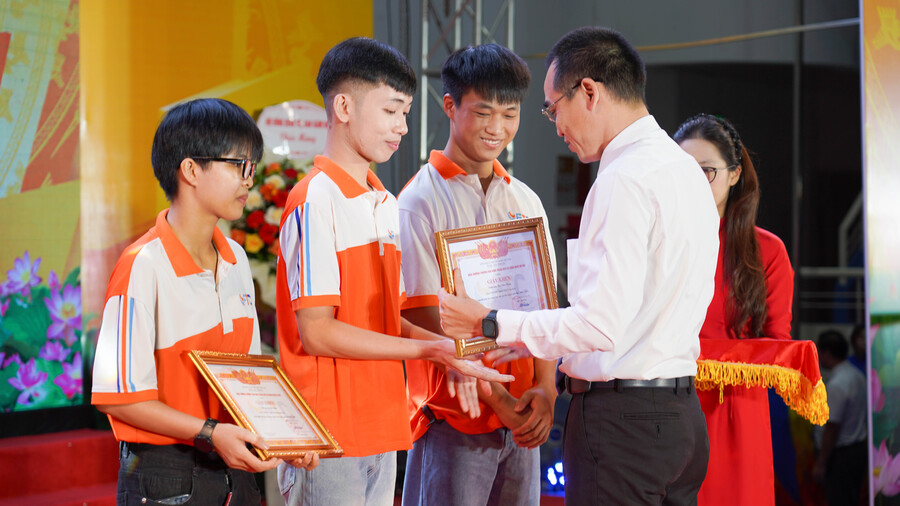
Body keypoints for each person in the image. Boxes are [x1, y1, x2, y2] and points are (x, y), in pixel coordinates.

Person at [438, 27, 719, 504]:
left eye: (553, 109)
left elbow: (598, 325)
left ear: (588, 92)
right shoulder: (684, 169)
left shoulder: (624, 178)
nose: (556, 127)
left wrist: (490, 322)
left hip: (624, 424)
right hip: (681, 419)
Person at [273, 37, 513, 506]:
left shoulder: (383, 201)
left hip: (382, 426)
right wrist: (432, 348)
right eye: (391, 111)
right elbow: (318, 332)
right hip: (327, 434)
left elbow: (387, 321)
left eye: (405, 113)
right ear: (344, 106)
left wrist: (449, 348)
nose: (402, 126)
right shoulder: (314, 199)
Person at [91, 98, 319, 506]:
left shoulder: (236, 258)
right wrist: (210, 433)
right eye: (238, 165)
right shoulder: (142, 265)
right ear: (191, 170)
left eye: (252, 167)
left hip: (234, 469)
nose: (249, 180)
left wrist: (285, 437)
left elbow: (250, 379)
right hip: (166, 476)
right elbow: (118, 397)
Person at [398, 44, 557, 506]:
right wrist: (497, 400)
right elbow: (422, 316)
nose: (497, 128)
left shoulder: (525, 200)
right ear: (450, 106)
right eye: (484, 112)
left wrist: (546, 389)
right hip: (454, 418)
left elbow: (546, 308)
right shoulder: (419, 201)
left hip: (524, 416)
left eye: (510, 114)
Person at [673, 113, 795, 505]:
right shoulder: (657, 244)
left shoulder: (766, 251)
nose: (694, 182)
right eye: (683, 170)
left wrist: (712, 359)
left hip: (737, 410)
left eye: (706, 171)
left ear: (735, 174)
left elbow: (777, 345)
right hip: (665, 405)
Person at [814, 330, 867, 506]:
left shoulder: (838, 384)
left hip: (841, 457)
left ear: (827, 352)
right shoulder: (856, 375)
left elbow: (832, 427)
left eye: (819, 352)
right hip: (856, 450)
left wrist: (821, 462)